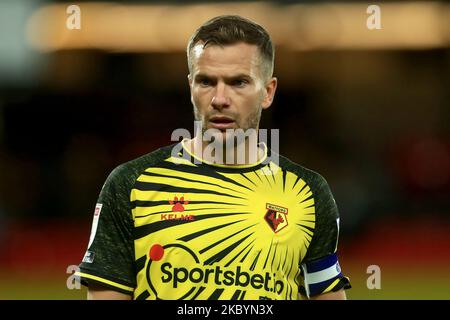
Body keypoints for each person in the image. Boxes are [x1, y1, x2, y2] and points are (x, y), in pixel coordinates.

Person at [75, 15, 351, 300]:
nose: (220, 98)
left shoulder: (307, 192)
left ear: (268, 92)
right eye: (206, 81)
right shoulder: (131, 184)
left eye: (238, 82)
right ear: (190, 86)